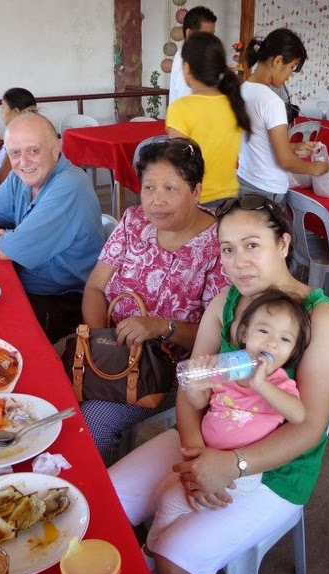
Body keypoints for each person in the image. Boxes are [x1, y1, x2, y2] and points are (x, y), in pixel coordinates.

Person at [109, 194, 329, 574]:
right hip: (209, 435)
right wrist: (196, 455)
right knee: (103, 500)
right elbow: (191, 383)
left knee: (173, 557)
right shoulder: (226, 302)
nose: (239, 262)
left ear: (283, 244)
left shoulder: (321, 319)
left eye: (252, 246)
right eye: (227, 249)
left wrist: (232, 464)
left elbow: (309, 427)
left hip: (276, 469)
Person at [79, 138, 230, 466]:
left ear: (196, 191)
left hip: (169, 370)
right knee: (46, 379)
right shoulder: (133, 222)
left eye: (170, 188)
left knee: (91, 423)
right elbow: (95, 287)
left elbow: (217, 339)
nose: (156, 200)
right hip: (111, 349)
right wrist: (103, 349)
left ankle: (100, 488)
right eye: (149, 188)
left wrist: (161, 327)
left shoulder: (218, 246)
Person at [146, 288, 310, 551]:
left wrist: (262, 384)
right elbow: (199, 402)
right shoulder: (228, 369)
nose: (272, 343)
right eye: (263, 331)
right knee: (162, 493)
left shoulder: (280, 384)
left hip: (240, 472)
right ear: (244, 334)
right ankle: (168, 535)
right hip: (208, 455)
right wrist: (195, 383)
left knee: (169, 501)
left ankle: (150, 552)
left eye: (285, 339)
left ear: (292, 352)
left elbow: (299, 415)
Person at [0, 112, 104, 343]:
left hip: (63, 301)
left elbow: (6, 251)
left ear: (56, 148)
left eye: (33, 151)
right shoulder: (21, 176)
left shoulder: (69, 186)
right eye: (15, 153)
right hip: (25, 285)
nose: (24, 162)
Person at [238, 28, 329, 204]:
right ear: (278, 61)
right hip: (267, 191)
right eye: (291, 67)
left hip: (244, 181)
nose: (289, 76)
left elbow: (258, 143)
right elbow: (285, 161)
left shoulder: (242, 91)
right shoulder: (272, 102)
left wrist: (293, 147)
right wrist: (316, 168)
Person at [166, 32, 250, 207]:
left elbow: (179, 163)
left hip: (196, 201)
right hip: (230, 199)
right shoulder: (234, 103)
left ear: (186, 68)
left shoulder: (180, 108)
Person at [169, 6, 217, 105]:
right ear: (189, 34)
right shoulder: (187, 60)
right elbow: (189, 103)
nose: (211, 41)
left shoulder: (194, 57)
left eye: (212, 35)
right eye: (206, 35)